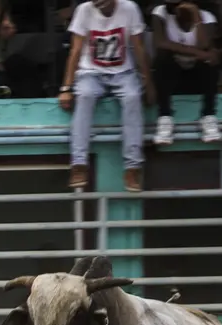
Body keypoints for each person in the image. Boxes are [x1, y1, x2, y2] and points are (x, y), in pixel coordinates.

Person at [58, 0, 153, 192]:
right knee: (84, 96)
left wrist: (148, 82)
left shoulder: (130, 8)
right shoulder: (83, 10)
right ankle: (79, 164)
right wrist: (66, 88)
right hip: (90, 72)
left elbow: (139, 47)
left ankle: (132, 167)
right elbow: (75, 50)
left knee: (133, 97)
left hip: (123, 72)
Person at [150, 0, 222, 145]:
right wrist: (198, 52)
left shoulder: (207, 17)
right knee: (163, 57)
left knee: (211, 62)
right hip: (171, 76)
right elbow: (161, 43)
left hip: (196, 77)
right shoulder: (160, 12)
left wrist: (196, 16)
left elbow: (205, 45)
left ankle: (208, 116)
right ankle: (165, 118)